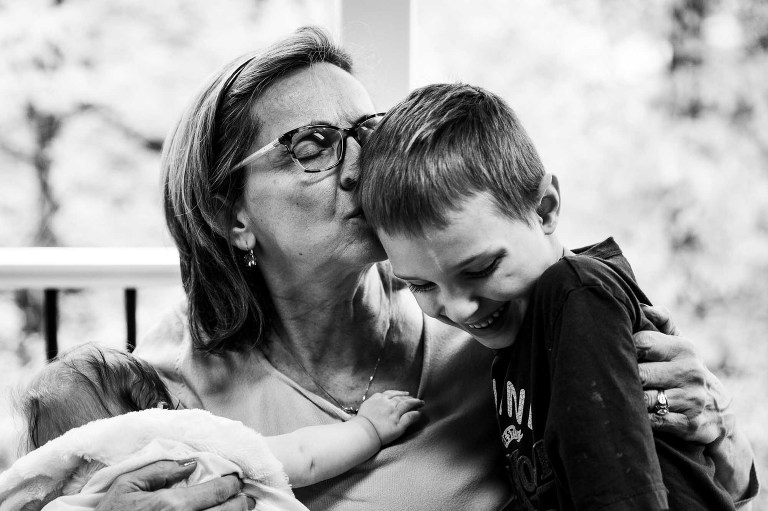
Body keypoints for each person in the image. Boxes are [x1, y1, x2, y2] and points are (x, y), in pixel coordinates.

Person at [91, 26, 753, 511]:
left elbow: (687, 478)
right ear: (228, 216)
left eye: (368, 134)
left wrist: (722, 434)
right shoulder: (173, 393)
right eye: (314, 147)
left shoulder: (502, 308)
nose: (359, 168)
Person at [358, 82, 751, 510]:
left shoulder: (578, 296)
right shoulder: (520, 336)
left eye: (480, 269)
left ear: (544, 207)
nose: (458, 308)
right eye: (421, 285)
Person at [0, 344, 422, 511]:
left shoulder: (65, 504)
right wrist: (369, 428)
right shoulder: (182, 440)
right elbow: (305, 456)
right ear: (160, 407)